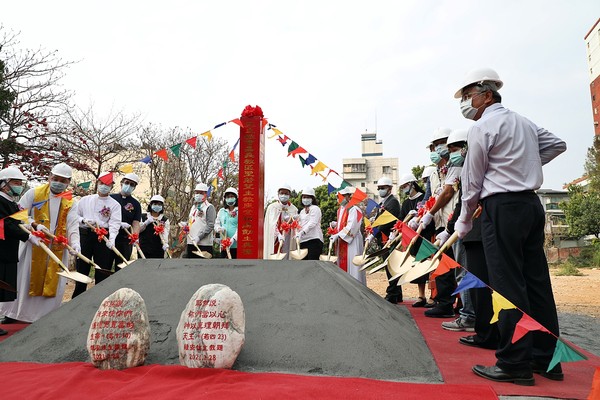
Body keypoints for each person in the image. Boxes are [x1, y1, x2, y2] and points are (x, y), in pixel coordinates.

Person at [454, 67, 566, 385]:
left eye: (468, 95)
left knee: (507, 287)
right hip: (530, 204)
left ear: (487, 94)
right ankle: (547, 360)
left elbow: (472, 181)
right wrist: (522, 165)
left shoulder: (482, 127)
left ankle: (514, 362)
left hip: (501, 208)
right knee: (536, 285)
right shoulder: (523, 122)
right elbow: (558, 145)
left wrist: (463, 221)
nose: (465, 103)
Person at [0, 163, 80, 323]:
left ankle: (44, 316)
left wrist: (76, 243)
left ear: (68, 182)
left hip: (55, 247)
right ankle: (14, 314)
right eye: (55, 178)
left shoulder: (71, 202)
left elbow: (73, 225)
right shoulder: (33, 194)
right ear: (50, 177)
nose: (58, 182)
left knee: (53, 280)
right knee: (24, 278)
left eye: (63, 180)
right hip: (32, 244)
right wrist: (34, 225)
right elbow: (19, 216)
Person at [411, 127, 460, 318]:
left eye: (439, 145)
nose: (435, 150)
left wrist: (429, 213)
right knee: (444, 265)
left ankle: (462, 306)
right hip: (441, 224)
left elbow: (448, 193)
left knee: (462, 267)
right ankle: (446, 303)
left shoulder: (457, 167)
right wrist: (419, 215)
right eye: (433, 147)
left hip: (455, 221)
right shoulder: (434, 173)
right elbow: (429, 198)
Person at [0, 166, 40, 335]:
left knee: (4, 288)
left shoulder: (11, 202)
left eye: (20, 183)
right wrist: (28, 237)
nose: (19, 186)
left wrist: (33, 226)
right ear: (4, 184)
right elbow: (7, 224)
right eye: (15, 182)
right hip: (0, 251)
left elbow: (21, 219)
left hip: (8, 252)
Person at [72, 172, 122, 298]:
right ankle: (78, 298)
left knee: (102, 270)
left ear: (112, 186)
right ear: (97, 183)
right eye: (102, 183)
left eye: (107, 184)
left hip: (102, 238)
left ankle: (99, 299)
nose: (104, 186)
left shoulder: (114, 204)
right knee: (82, 268)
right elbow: (74, 216)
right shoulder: (85, 200)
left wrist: (112, 239)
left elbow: (115, 223)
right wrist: (83, 221)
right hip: (85, 235)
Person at [397, 173, 434, 307]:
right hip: (413, 239)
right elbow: (401, 220)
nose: (404, 189)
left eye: (405, 186)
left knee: (429, 265)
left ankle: (433, 296)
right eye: (402, 187)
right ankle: (421, 295)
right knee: (417, 266)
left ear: (413, 184)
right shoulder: (406, 203)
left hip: (425, 235)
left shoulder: (423, 198)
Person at [372, 176, 402, 304]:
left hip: (390, 238)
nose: (380, 190)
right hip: (383, 238)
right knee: (389, 267)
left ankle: (393, 293)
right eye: (379, 188)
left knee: (391, 266)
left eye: (382, 188)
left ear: (390, 188)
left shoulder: (393, 202)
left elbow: (388, 221)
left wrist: (376, 230)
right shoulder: (383, 203)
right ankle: (396, 292)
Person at [330, 186, 365, 284]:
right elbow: (342, 224)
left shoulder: (354, 209)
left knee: (353, 267)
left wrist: (338, 235)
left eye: (341, 196)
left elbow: (352, 227)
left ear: (348, 197)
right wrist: (335, 226)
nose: (338, 199)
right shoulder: (340, 210)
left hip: (352, 242)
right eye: (338, 197)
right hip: (342, 241)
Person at [110, 173, 142, 267]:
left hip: (125, 240)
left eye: (132, 184)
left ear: (134, 187)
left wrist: (135, 237)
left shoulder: (135, 204)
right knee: (105, 265)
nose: (129, 186)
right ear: (121, 183)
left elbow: (136, 223)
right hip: (110, 238)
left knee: (121, 267)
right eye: (127, 183)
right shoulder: (111, 198)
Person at [263, 184, 298, 259]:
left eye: (286, 193)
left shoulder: (293, 209)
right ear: (278, 194)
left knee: (287, 256)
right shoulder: (272, 207)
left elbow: (296, 226)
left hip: (288, 239)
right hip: (275, 238)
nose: (284, 195)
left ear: (289, 195)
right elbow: (271, 224)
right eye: (282, 193)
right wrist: (278, 235)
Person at [184, 183, 215, 258]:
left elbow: (210, 225)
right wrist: (185, 225)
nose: (198, 194)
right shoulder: (193, 207)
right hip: (191, 242)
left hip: (204, 244)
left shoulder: (209, 207)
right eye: (197, 192)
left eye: (201, 193)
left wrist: (199, 237)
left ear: (206, 194)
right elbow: (192, 221)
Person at [295, 187, 323, 260]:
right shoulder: (302, 211)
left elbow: (312, 223)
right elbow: (300, 225)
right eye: (304, 197)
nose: (305, 199)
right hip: (303, 241)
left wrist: (303, 232)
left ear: (312, 199)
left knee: (312, 263)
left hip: (314, 240)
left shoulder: (315, 209)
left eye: (308, 197)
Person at [139, 194, 170, 259]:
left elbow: (165, 233)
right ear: (150, 205)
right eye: (155, 204)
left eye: (159, 204)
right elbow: (138, 230)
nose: (157, 206)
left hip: (158, 250)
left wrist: (165, 243)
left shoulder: (164, 220)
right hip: (143, 248)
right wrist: (146, 223)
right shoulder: (143, 217)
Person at [215, 187, 239, 259]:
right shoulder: (221, 211)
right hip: (224, 245)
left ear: (236, 198)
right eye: (228, 197)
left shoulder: (239, 211)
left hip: (236, 245)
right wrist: (218, 228)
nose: (230, 198)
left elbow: (241, 227)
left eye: (232, 196)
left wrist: (233, 239)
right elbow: (217, 223)